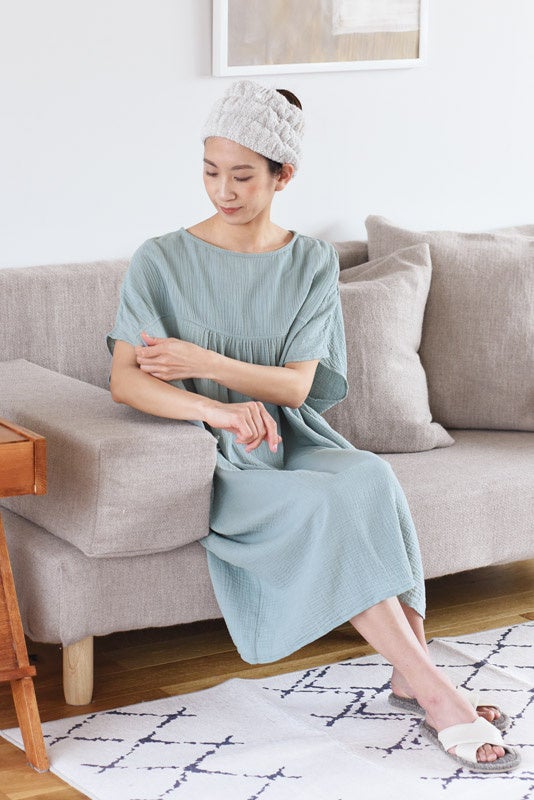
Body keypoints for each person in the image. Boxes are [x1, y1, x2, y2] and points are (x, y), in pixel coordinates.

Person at [107, 80, 519, 773]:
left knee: (369, 475)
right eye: (211, 171)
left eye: (243, 175)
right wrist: (215, 408)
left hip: (294, 437)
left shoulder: (310, 262)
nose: (223, 190)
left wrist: (202, 361)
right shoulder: (162, 259)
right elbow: (127, 379)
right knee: (331, 501)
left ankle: (408, 674)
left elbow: (297, 386)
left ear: (283, 176)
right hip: (213, 452)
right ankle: (435, 691)